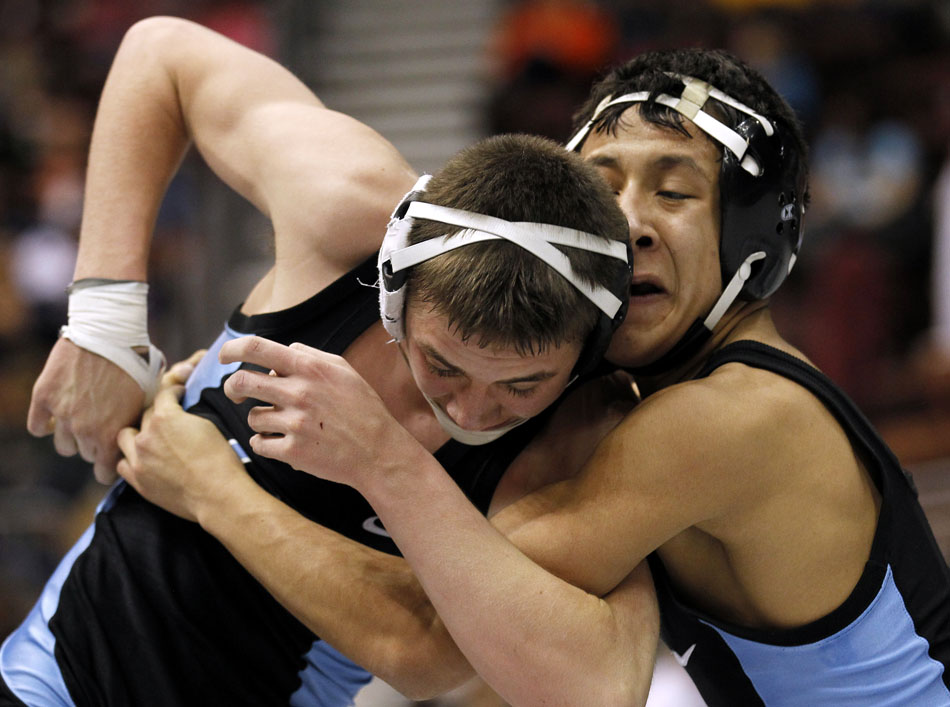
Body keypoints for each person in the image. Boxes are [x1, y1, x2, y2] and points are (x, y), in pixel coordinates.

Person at [118, 40, 950, 707]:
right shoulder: (631, 399)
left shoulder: (727, 419)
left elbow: (436, 620)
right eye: (606, 184)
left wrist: (214, 483)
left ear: (756, 239)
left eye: (674, 192)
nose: (630, 224)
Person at [0, 16, 656, 707]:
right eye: (443, 365)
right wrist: (106, 322)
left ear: (585, 351)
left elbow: (424, 653)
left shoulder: (576, 433)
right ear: (396, 291)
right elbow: (159, 53)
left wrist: (215, 488)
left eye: (522, 386)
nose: (469, 410)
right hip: (47, 679)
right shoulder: (349, 206)